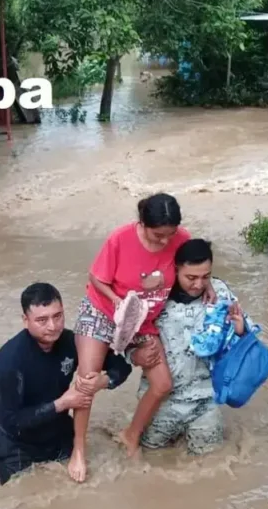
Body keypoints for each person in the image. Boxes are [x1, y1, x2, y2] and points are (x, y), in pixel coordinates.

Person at [72, 193, 216, 481]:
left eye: (170, 235)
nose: (165, 242)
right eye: (158, 235)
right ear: (142, 223)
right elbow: (95, 278)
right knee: (87, 381)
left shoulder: (180, 238)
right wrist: (116, 301)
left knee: (162, 384)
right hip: (104, 310)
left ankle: (131, 436)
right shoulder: (120, 239)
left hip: (142, 319)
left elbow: (194, 266)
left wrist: (208, 284)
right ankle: (78, 450)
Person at [0, 283, 133, 486]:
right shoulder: (9, 362)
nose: (52, 326)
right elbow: (11, 421)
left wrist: (103, 381)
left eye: (57, 316)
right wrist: (62, 403)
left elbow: (121, 366)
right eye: (42, 320)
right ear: (25, 320)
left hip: (57, 432)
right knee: (21, 500)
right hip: (17, 444)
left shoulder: (71, 341)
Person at [128, 239, 253, 455]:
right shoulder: (154, 298)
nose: (198, 285)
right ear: (175, 269)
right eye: (191, 278)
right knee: (150, 456)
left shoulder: (220, 293)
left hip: (205, 401)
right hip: (161, 403)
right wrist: (135, 355)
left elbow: (245, 342)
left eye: (206, 277)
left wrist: (241, 330)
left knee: (210, 462)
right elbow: (125, 340)